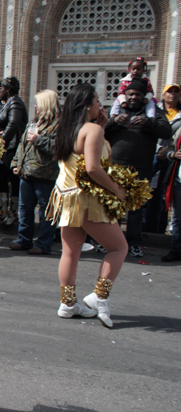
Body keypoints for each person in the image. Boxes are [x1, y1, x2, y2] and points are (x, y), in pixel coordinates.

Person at [46, 83, 128, 327]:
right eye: (97, 101)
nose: (100, 105)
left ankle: (68, 303)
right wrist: (117, 189)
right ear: (86, 105)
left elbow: (82, 158)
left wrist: (101, 126)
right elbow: (93, 167)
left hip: (67, 195)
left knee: (70, 252)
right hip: (87, 199)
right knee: (118, 248)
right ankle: (99, 297)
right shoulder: (91, 129)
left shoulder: (68, 128)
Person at [104, 77, 171, 257]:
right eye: (131, 94)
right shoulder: (116, 110)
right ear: (126, 95)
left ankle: (133, 242)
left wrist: (149, 123)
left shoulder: (152, 112)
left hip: (140, 170)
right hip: (116, 168)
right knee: (113, 207)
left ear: (144, 97)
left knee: (135, 209)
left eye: (138, 95)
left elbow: (166, 130)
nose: (134, 97)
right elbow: (101, 129)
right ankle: (111, 242)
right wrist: (114, 121)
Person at [9, 89, 61, 255]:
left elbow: (58, 148)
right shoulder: (34, 122)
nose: (35, 106)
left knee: (46, 211)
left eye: (38, 103)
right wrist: (16, 163)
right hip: (27, 173)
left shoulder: (59, 125)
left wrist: (39, 140)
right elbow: (22, 145)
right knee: (25, 208)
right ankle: (24, 240)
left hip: (45, 174)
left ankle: (43, 244)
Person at [0, 76, 28, 226]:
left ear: (8, 89)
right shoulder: (7, 103)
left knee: (13, 181)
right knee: (0, 179)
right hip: (5, 149)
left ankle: (13, 214)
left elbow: (13, 123)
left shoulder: (15, 102)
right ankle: (1, 211)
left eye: (1, 88)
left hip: (11, 149)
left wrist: (3, 140)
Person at [147, 84, 181, 233]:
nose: (172, 95)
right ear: (163, 94)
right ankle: (147, 227)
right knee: (148, 191)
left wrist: (171, 153)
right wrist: (159, 150)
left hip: (173, 158)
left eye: (176, 92)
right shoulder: (154, 110)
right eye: (169, 92)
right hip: (154, 154)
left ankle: (160, 229)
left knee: (165, 193)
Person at [162, 124, 181, 262]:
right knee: (178, 218)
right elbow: (166, 150)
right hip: (179, 181)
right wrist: (173, 154)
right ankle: (177, 250)